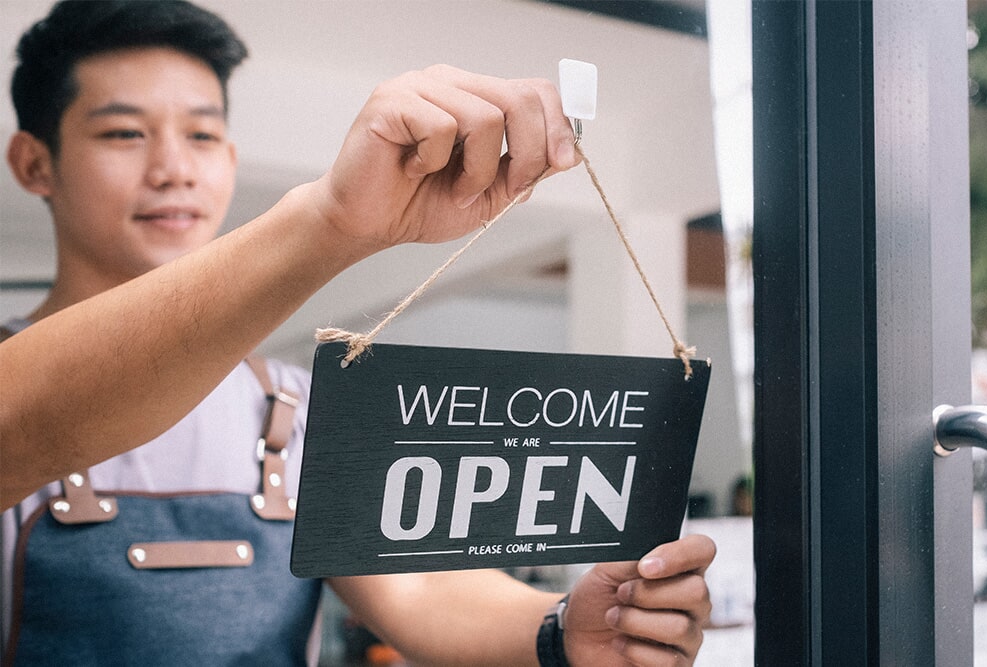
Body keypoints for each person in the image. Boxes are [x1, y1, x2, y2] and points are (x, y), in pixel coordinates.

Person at [0, 1, 715, 665]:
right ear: (34, 162)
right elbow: (26, 421)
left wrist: (567, 626)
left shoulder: (294, 402)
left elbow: (418, 589)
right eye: (124, 132)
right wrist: (328, 223)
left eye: (202, 134)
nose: (173, 168)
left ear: (230, 159)